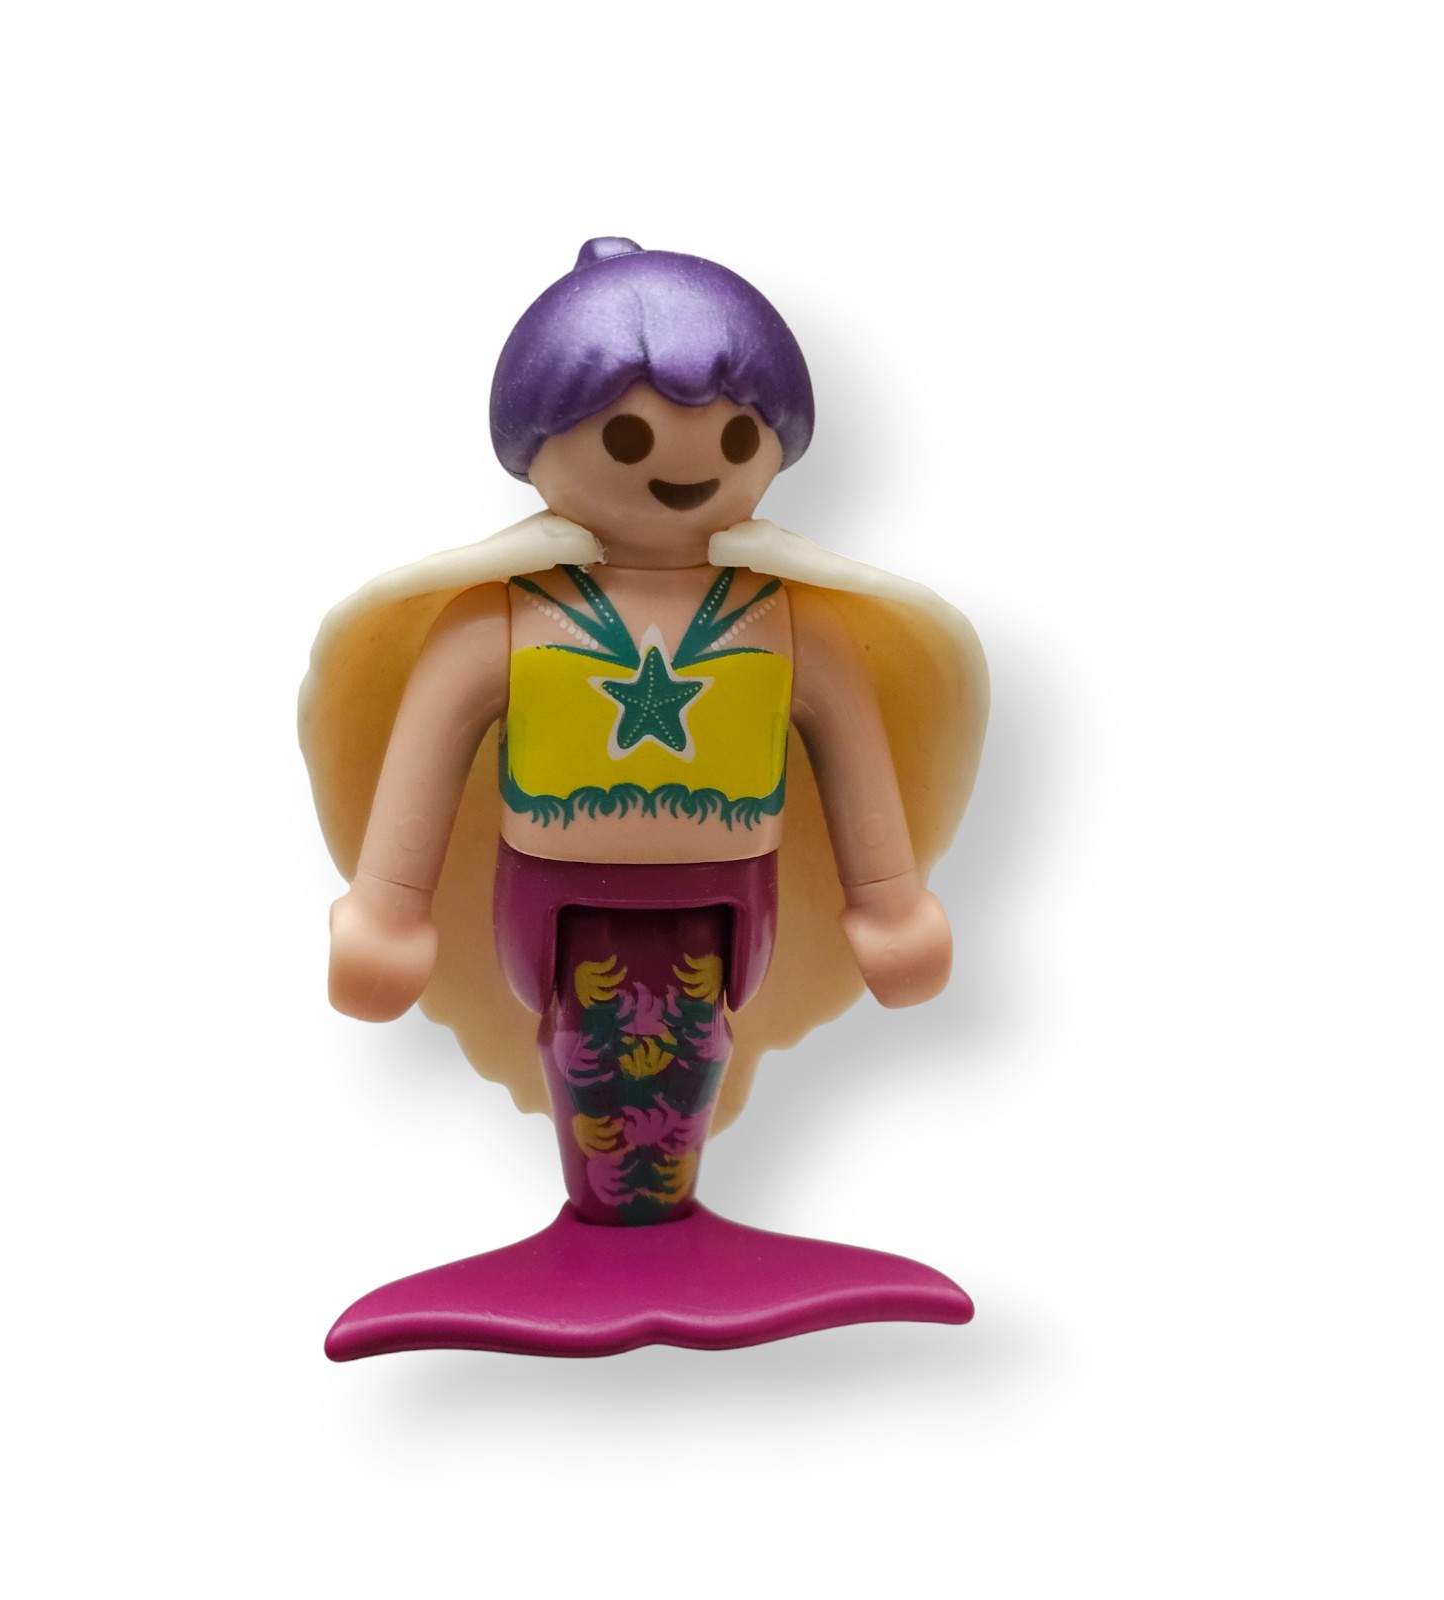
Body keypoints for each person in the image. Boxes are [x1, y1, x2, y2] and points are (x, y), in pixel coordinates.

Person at [301, 239, 988, 1357]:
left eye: (734, 437)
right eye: (626, 437)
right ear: (538, 443)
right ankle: (614, 1233)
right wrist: (388, 904)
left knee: (697, 1041)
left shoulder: (788, 621)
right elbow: (427, 747)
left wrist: (887, 897)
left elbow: (852, 753)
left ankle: (655, 1233)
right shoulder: (505, 617)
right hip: (550, 897)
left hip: (734, 892)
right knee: (586, 1044)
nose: (686, 465)